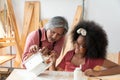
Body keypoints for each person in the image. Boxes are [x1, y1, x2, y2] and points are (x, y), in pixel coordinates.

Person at [51, 20, 120, 77]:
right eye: (76, 43)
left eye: (82, 46)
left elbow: (118, 68)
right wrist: (53, 62)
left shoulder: (93, 59)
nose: (77, 47)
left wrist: (97, 73)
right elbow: (56, 74)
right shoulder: (69, 54)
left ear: (90, 48)